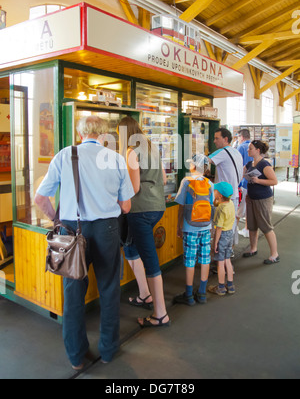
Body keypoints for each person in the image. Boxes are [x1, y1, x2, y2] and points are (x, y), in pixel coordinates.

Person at [34, 116, 134, 370]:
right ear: (103, 135)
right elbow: (126, 206)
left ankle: (76, 356)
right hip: (107, 229)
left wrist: (56, 220)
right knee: (110, 289)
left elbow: (40, 198)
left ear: (80, 134)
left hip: (70, 230)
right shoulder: (115, 159)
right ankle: (109, 350)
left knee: (73, 292)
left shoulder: (65, 155)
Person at [118, 116, 170, 328]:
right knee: (131, 248)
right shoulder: (151, 147)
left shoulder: (131, 151)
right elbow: (164, 180)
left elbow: (134, 188)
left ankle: (161, 314)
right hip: (157, 207)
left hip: (140, 210)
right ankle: (145, 295)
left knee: (149, 261)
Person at [174, 154, 214, 306]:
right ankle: (202, 293)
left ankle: (189, 295)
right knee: (205, 259)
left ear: (192, 166)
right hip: (206, 226)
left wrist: (179, 225)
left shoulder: (186, 181)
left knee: (190, 260)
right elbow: (211, 206)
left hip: (190, 227)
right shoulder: (210, 183)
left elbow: (181, 206)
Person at [243, 140, 280, 264]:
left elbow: (274, 181)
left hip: (263, 199)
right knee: (252, 225)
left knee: (266, 226)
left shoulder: (264, 165)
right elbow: (243, 175)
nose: (248, 150)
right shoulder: (249, 164)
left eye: (250, 148)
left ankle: (275, 254)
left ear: (258, 150)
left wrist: (258, 181)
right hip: (251, 198)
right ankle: (253, 248)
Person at [208, 128, 243, 248]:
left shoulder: (222, 152)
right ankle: (229, 252)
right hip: (233, 195)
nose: (214, 141)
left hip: (221, 197)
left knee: (219, 227)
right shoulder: (236, 152)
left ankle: (220, 258)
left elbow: (204, 160)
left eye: (217, 138)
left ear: (226, 139)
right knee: (230, 226)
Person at [208, 182, 236, 296]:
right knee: (227, 261)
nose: (213, 192)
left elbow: (218, 228)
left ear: (219, 195)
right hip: (230, 234)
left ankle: (220, 287)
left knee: (220, 263)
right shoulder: (231, 204)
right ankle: (230, 285)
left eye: (215, 191)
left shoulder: (220, 209)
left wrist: (215, 242)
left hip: (222, 235)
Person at [237, 129, 251, 238]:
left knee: (240, 209)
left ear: (241, 137)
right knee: (249, 208)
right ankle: (247, 229)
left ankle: (234, 229)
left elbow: (238, 166)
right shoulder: (253, 146)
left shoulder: (241, 147)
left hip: (244, 182)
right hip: (253, 183)